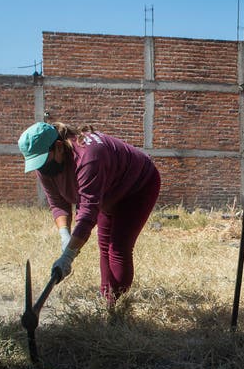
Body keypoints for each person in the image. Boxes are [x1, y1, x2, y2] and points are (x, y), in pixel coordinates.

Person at [17, 121, 161, 306]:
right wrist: (65, 236)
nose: (42, 168)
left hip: (138, 185)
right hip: (108, 190)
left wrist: (68, 256)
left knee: (118, 247)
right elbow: (57, 203)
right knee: (104, 246)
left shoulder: (88, 156)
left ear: (59, 147)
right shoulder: (45, 166)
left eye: (43, 161)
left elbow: (87, 213)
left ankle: (116, 307)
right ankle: (106, 302)